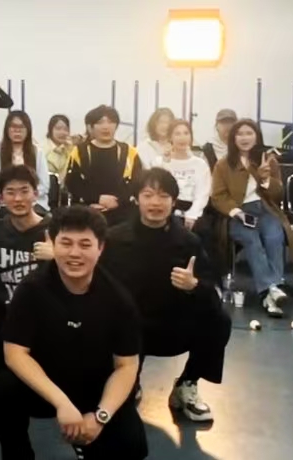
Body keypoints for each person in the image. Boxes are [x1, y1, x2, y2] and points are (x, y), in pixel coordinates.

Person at [0, 205, 147, 460]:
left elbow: (126, 366)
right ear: (52, 243)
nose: (74, 253)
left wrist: (100, 417)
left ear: (100, 248)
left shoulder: (119, 298)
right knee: (0, 390)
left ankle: (89, 441)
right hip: (46, 385)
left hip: (95, 387)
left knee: (132, 446)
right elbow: (15, 354)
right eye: (66, 243)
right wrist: (61, 402)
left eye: (85, 245)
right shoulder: (31, 289)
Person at [101, 168, 230, 423]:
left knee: (219, 320)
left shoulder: (189, 242)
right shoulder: (114, 239)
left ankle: (186, 385)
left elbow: (211, 288)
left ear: (174, 201)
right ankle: (128, 380)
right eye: (148, 195)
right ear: (137, 199)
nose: (155, 203)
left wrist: (193, 285)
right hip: (127, 329)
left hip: (171, 326)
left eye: (163, 196)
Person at [210, 119, 293, 317]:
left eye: (249, 133)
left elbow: (278, 195)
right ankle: (273, 287)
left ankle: (269, 293)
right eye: (240, 134)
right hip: (237, 212)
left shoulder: (268, 160)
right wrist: (237, 212)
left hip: (265, 209)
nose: (244, 138)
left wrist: (265, 179)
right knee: (251, 239)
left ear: (257, 137)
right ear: (233, 139)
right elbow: (218, 196)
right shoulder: (223, 164)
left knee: (274, 236)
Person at [0, 166, 50, 365]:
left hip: (46, 324)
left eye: (24, 191)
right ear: (0, 198)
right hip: (3, 325)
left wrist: (59, 256)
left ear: (36, 194)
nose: (18, 199)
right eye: (10, 192)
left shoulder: (55, 232)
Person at [64, 105, 141, 226]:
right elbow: (72, 183)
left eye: (110, 122)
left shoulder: (129, 152)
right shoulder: (79, 151)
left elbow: (137, 182)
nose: (106, 126)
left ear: (116, 125)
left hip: (122, 213)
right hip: (87, 212)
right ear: (91, 127)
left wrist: (117, 201)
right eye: (100, 122)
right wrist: (96, 199)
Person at [0, 111, 50, 214]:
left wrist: (28, 198)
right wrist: (6, 198)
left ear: (28, 130)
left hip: (35, 204)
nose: (17, 131)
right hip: (6, 205)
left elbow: (44, 185)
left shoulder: (38, 152)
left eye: (21, 127)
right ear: (7, 129)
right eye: (13, 127)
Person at [157, 120, 212, 230]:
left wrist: (192, 215)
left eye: (186, 133)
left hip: (194, 210)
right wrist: (166, 161)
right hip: (167, 209)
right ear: (170, 137)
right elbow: (160, 187)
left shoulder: (200, 164)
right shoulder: (160, 162)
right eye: (177, 134)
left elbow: (202, 194)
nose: (182, 138)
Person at [42, 114, 77, 181]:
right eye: (58, 129)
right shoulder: (42, 149)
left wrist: (71, 151)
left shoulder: (70, 149)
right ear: (50, 130)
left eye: (66, 129)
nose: (62, 132)